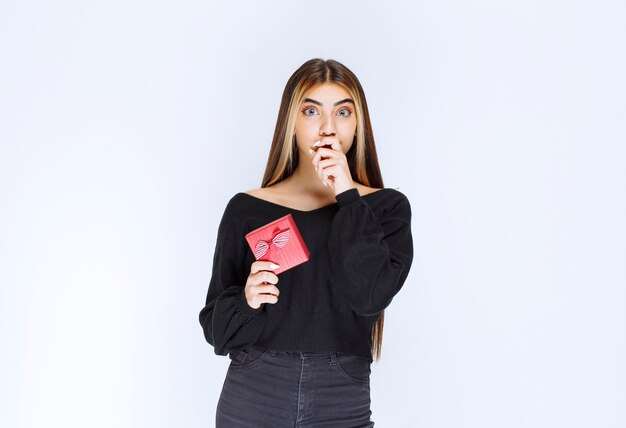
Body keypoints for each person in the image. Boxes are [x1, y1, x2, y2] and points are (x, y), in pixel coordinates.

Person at [199, 58, 414, 427]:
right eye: (312, 110)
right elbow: (215, 331)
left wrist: (347, 194)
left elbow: (370, 296)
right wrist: (248, 300)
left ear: (358, 123)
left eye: (343, 112)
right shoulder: (247, 208)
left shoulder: (386, 208)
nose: (328, 127)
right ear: (291, 122)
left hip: (341, 395)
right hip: (255, 389)